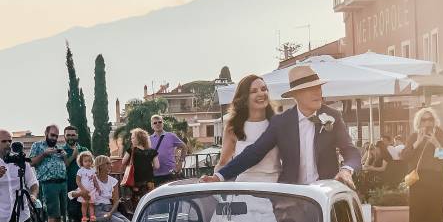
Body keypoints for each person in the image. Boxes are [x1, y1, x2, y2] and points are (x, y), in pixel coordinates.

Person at [202, 65, 361, 186]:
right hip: (291, 196)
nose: (317, 93)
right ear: (296, 95)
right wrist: (219, 176)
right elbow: (253, 153)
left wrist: (346, 170)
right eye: (310, 89)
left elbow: (351, 152)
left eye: (318, 87)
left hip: (325, 194)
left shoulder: (333, 116)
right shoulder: (281, 122)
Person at [401, 107, 443, 222]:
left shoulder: (442, 135)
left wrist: (436, 142)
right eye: (424, 119)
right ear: (419, 121)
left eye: (430, 119)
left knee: (434, 216)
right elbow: (405, 157)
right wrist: (418, 142)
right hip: (418, 181)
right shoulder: (414, 136)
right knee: (417, 217)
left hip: (436, 180)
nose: (427, 123)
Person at [215, 74, 280, 182]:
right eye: (254, 91)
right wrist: (215, 182)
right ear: (244, 98)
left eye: (264, 89)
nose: (261, 93)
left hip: (275, 190)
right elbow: (223, 163)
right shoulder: (233, 127)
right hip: (244, 190)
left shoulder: (277, 123)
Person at [29, 124, 68, 222]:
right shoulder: (37, 146)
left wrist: (64, 156)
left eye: (56, 136)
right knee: (52, 213)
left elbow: (65, 164)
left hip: (62, 182)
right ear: (46, 133)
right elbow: (30, 162)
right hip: (49, 183)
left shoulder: (58, 147)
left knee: (59, 214)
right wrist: (44, 154)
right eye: (52, 135)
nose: (54, 138)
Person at [93, 156, 130, 222]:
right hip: (98, 209)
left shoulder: (113, 181)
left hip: (111, 209)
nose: (110, 165)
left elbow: (116, 199)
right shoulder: (93, 178)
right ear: (100, 165)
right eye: (108, 163)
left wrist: (111, 212)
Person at [121, 128, 159, 207]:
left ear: (139, 139)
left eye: (133, 138)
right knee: (149, 201)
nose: (131, 140)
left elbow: (123, 162)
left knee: (137, 203)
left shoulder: (131, 150)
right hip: (149, 181)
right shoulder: (152, 151)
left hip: (136, 182)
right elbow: (157, 166)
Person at [61, 126, 89, 222]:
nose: (70, 137)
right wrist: (73, 155)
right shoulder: (61, 151)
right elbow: (62, 168)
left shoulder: (84, 149)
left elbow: (91, 165)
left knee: (86, 211)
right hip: (70, 187)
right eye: (68, 135)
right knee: (73, 213)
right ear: (64, 136)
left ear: (77, 136)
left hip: (85, 187)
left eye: (73, 135)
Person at [149, 115, 187, 187]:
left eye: (160, 122)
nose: (157, 124)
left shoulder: (170, 136)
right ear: (152, 126)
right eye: (155, 123)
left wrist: (180, 162)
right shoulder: (148, 139)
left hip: (170, 173)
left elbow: (184, 147)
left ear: (163, 123)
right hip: (155, 175)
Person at [76, 151, 99, 222]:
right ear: (81, 162)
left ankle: (92, 216)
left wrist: (97, 187)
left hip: (91, 190)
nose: (88, 163)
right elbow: (78, 181)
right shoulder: (80, 170)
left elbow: (94, 180)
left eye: (89, 161)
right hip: (83, 190)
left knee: (91, 204)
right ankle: (84, 217)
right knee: (84, 204)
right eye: (85, 161)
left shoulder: (93, 170)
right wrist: (82, 189)